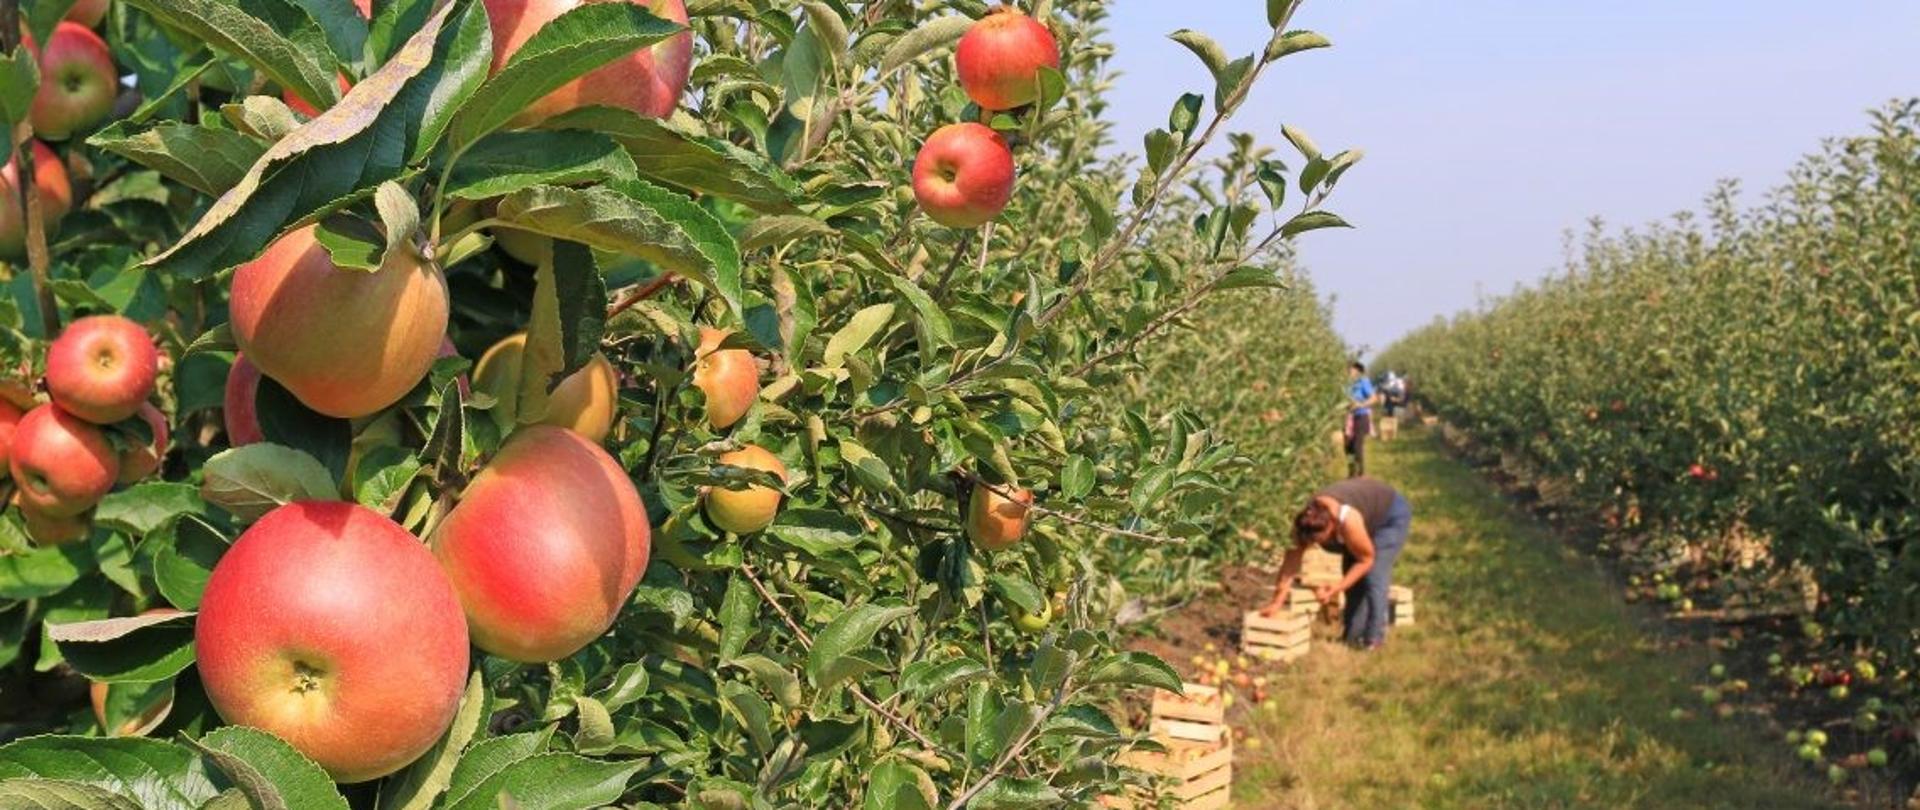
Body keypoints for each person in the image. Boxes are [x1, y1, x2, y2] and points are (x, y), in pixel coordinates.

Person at [1259, 477, 1413, 649]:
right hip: (1363, 515)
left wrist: (1336, 588)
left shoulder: (1349, 521)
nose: (1317, 544)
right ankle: (1352, 637)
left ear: (1332, 524)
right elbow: (1289, 567)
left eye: (1321, 540)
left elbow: (1366, 560)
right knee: (1351, 577)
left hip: (1389, 515)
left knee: (1374, 576)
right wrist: (1276, 602)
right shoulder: (1305, 523)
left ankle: (1374, 638)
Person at [1343, 361, 1379, 476]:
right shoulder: (1346, 384)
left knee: (1357, 445)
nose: (1350, 371)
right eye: (1349, 369)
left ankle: (1360, 473)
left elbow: (1374, 398)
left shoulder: (1363, 382)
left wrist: (1361, 404)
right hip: (1348, 417)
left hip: (1361, 416)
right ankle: (1351, 472)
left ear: (1358, 371)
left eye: (1352, 369)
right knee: (1348, 446)